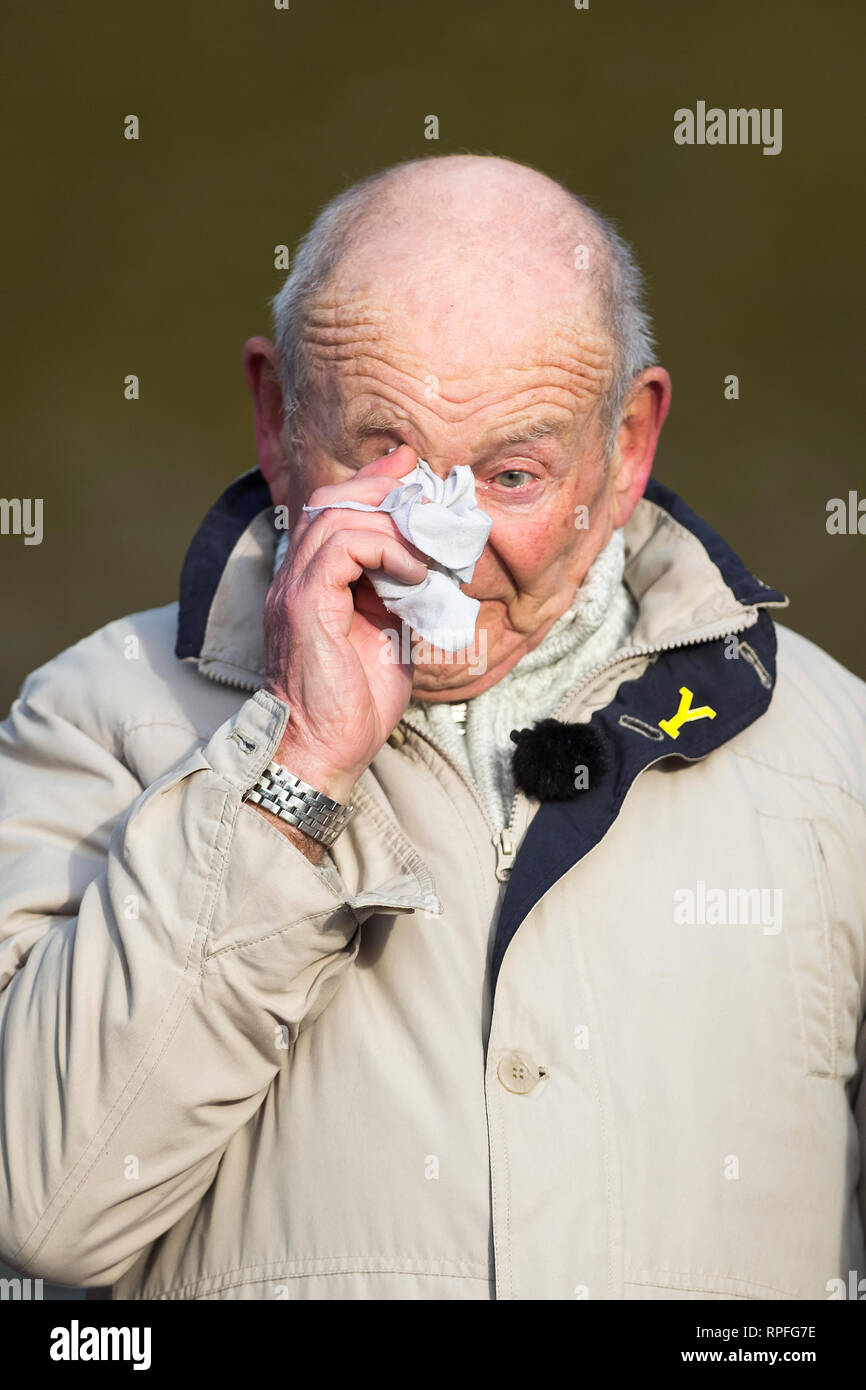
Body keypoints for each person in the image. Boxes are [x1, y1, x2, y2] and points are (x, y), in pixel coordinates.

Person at [1, 154, 864, 1301]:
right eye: (381, 459)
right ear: (277, 417)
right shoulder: (95, 718)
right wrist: (298, 762)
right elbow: (44, 1213)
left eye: (510, 474)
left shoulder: (835, 760)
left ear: (625, 446)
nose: (437, 551)